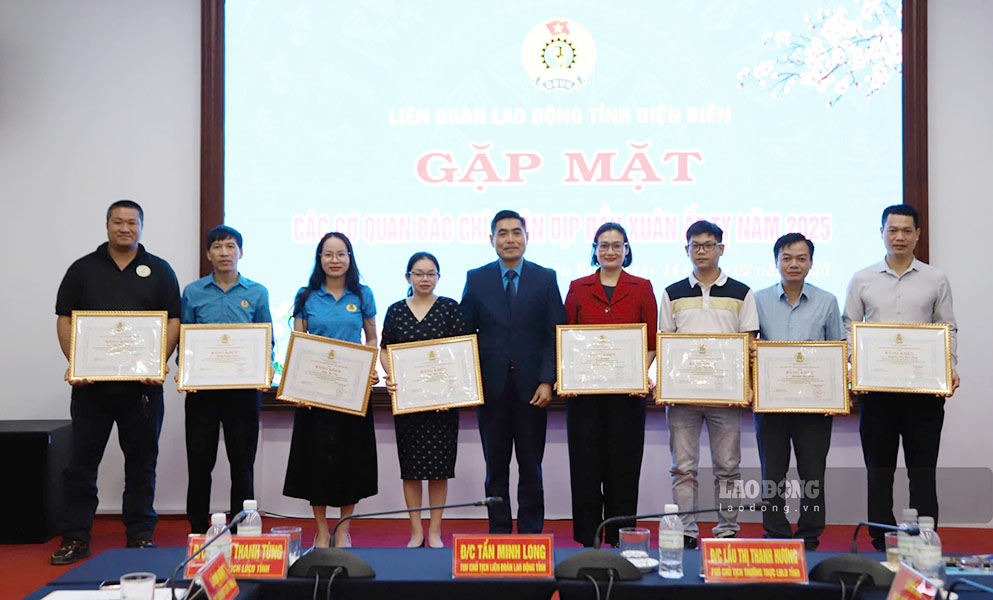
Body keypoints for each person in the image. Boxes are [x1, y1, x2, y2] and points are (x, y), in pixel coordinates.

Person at [51, 200, 181, 565]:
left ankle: (140, 536)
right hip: (92, 389)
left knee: (142, 464)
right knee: (81, 464)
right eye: (118, 222)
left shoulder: (159, 270)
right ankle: (75, 538)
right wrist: (76, 362)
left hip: (142, 389)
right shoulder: (82, 269)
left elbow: (173, 320)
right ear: (107, 225)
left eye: (132, 223)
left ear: (142, 227)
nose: (125, 228)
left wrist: (158, 362)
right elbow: (65, 319)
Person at [843, 204, 960, 551]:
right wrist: (853, 367)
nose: (899, 237)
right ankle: (881, 537)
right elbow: (849, 326)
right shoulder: (862, 278)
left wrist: (950, 365)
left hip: (923, 393)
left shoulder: (935, 278)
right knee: (879, 472)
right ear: (881, 232)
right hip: (877, 394)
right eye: (892, 230)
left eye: (907, 231)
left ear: (918, 235)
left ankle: (923, 538)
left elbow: (947, 327)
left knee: (922, 471)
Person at [461, 209, 565, 534]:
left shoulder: (545, 278)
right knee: (496, 469)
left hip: (534, 390)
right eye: (502, 233)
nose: (510, 239)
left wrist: (548, 380)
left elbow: (554, 333)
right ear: (491, 239)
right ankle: (500, 532)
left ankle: (532, 533)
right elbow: (465, 334)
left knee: (532, 468)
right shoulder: (476, 278)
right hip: (490, 391)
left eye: (516, 232)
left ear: (526, 237)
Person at [658, 220, 759, 549]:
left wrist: (742, 386)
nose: (702, 251)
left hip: (725, 398)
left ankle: (727, 530)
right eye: (695, 245)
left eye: (709, 244)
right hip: (682, 397)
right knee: (682, 468)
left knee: (728, 467)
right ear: (686, 250)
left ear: (721, 248)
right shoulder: (672, 292)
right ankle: (687, 530)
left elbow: (748, 344)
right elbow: (665, 345)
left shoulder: (742, 292)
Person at [560, 223, 658, 547]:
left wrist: (638, 374)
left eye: (618, 245)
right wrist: (568, 375)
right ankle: (590, 539)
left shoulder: (642, 287)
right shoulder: (577, 287)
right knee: (586, 469)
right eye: (604, 245)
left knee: (624, 469)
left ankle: (619, 537)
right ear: (595, 249)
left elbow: (651, 342)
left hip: (626, 398)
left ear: (627, 249)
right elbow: (566, 339)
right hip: (584, 397)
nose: (611, 251)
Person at [282, 232, 379, 548]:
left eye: (341, 254)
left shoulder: (361, 294)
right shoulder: (306, 296)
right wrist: (297, 385)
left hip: (352, 395)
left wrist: (369, 370)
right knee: (316, 463)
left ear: (350, 258)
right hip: (315, 394)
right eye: (328, 254)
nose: (334, 260)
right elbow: (299, 344)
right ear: (319, 258)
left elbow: (372, 339)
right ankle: (322, 529)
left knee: (352, 462)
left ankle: (343, 529)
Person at [180, 225, 273, 533]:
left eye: (230, 246)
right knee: (199, 462)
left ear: (240, 253)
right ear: (208, 254)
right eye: (218, 247)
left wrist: (266, 370)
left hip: (244, 392)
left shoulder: (257, 292)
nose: (224, 253)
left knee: (242, 463)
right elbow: (186, 339)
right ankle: (196, 526)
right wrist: (186, 371)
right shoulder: (193, 292)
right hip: (203, 391)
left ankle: (242, 525)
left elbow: (266, 338)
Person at [753, 233, 843, 550]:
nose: (794, 264)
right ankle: (775, 534)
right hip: (771, 405)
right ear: (776, 261)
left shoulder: (827, 301)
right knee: (772, 474)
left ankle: (809, 535)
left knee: (812, 474)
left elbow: (839, 350)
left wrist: (837, 394)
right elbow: (749, 348)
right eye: (787, 257)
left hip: (815, 407)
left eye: (801, 258)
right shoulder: (757, 299)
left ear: (811, 263)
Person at [380, 252, 465, 548]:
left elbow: (460, 353)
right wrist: (392, 377)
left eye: (431, 274)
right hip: (408, 403)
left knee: (439, 471)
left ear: (438, 277)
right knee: (412, 470)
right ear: (408, 277)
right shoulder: (395, 311)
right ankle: (416, 530)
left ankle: (435, 531)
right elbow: (384, 350)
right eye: (418, 273)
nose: (425, 279)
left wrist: (451, 391)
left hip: (442, 405)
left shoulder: (450, 308)